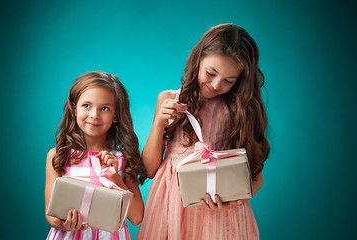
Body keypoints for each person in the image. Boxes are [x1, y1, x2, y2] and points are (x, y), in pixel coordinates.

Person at [137, 24, 270, 239]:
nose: (216, 84)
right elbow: (149, 169)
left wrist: (233, 201)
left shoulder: (240, 111)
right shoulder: (170, 100)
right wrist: (159, 123)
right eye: (211, 73)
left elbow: (256, 178)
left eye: (229, 81)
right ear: (198, 60)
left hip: (219, 217)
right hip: (171, 207)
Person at [45, 71, 147, 240]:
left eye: (104, 108)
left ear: (115, 115)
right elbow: (52, 214)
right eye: (86, 106)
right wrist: (63, 224)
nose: (94, 115)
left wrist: (115, 179)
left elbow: (136, 217)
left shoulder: (122, 159)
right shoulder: (58, 156)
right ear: (74, 108)